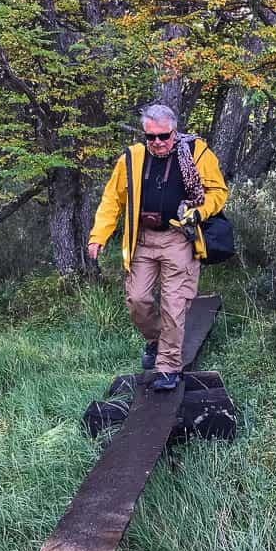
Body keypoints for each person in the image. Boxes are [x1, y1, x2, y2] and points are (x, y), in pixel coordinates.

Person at [87, 104, 228, 391]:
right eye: (150, 137)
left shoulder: (197, 153)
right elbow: (112, 199)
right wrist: (98, 236)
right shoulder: (131, 158)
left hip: (178, 237)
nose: (157, 143)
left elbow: (217, 191)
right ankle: (156, 340)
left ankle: (168, 368)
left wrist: (201, 212)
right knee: (137, 300)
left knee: (174, 305)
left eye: (163, 136)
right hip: (142, 240)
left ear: (174, 131)